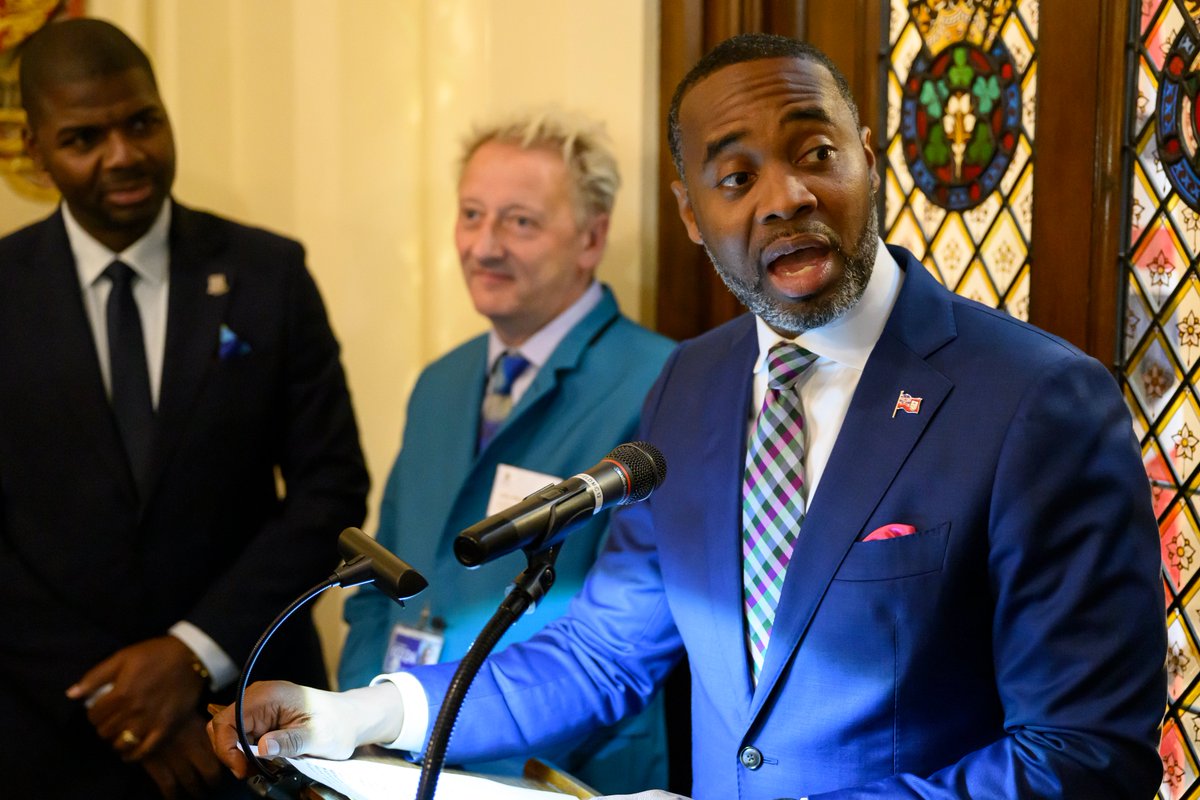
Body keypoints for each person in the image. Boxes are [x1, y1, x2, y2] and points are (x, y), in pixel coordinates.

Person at [211, 33, 1166, 800]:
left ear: (869, 160)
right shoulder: (691, 385)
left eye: (817, 154)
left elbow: (1085, 753)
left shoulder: (1037, 400)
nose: (787, 197)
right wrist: (365, 716)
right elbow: (603, 654)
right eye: (736, 178)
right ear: (690, 212)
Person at [1, 18, 369, 799]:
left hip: (246, 727)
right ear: (35, 149)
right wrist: (119, 702)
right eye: (84, 138)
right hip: (51, 738)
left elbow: (330, 489)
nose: (123, 154)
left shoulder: (268, 273)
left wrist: (192, 656)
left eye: (142, 123)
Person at [336, 109, 674, 793]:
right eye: (471, 215)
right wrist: (360, 718)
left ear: (591, 238)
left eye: (520, 222)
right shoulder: (440, 382)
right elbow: (378, 576)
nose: (483, 246)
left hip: (553, 770)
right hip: (396, 759)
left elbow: (624, 637)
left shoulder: (663, 383)